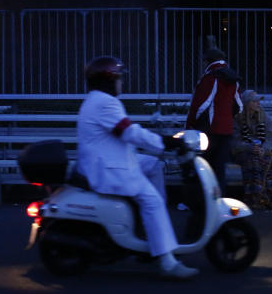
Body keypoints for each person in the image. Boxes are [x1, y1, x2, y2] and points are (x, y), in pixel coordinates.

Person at [76, 56, 198, 280]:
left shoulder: (95, 100)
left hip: (107, 159)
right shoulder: (105, 102)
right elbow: (129, 132)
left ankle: (150, 228)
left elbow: (125, 130)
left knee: (153, 165)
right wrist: (166, 142)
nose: (122, 83)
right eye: (119, 78)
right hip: (109, 169)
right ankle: (166, 260)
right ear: (108, 79)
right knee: (152, 200)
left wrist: (160, 141)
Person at [186, 45, 242, 190]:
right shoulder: (233, 79)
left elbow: (200, 106)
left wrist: (190, 126)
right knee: (219, 170)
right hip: (226, 131)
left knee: (203, 168)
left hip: (209, 131)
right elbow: (239, 105)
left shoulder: (211, 78)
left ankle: (202, 202)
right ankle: (219, 202)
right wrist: (227, 118)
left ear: (208, 61)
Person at [231, 89, 272, 209]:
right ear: (247, 103)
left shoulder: (264, 116)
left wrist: (263, 148)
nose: (258, 103)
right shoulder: (237, 118)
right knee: (254, 162)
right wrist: (250, 147)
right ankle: (255, 199)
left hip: (261, 149)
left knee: (269, 163)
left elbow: (271, 138)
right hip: (244, 151)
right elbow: (235, 142)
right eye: (255, 101)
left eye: (259, 101)